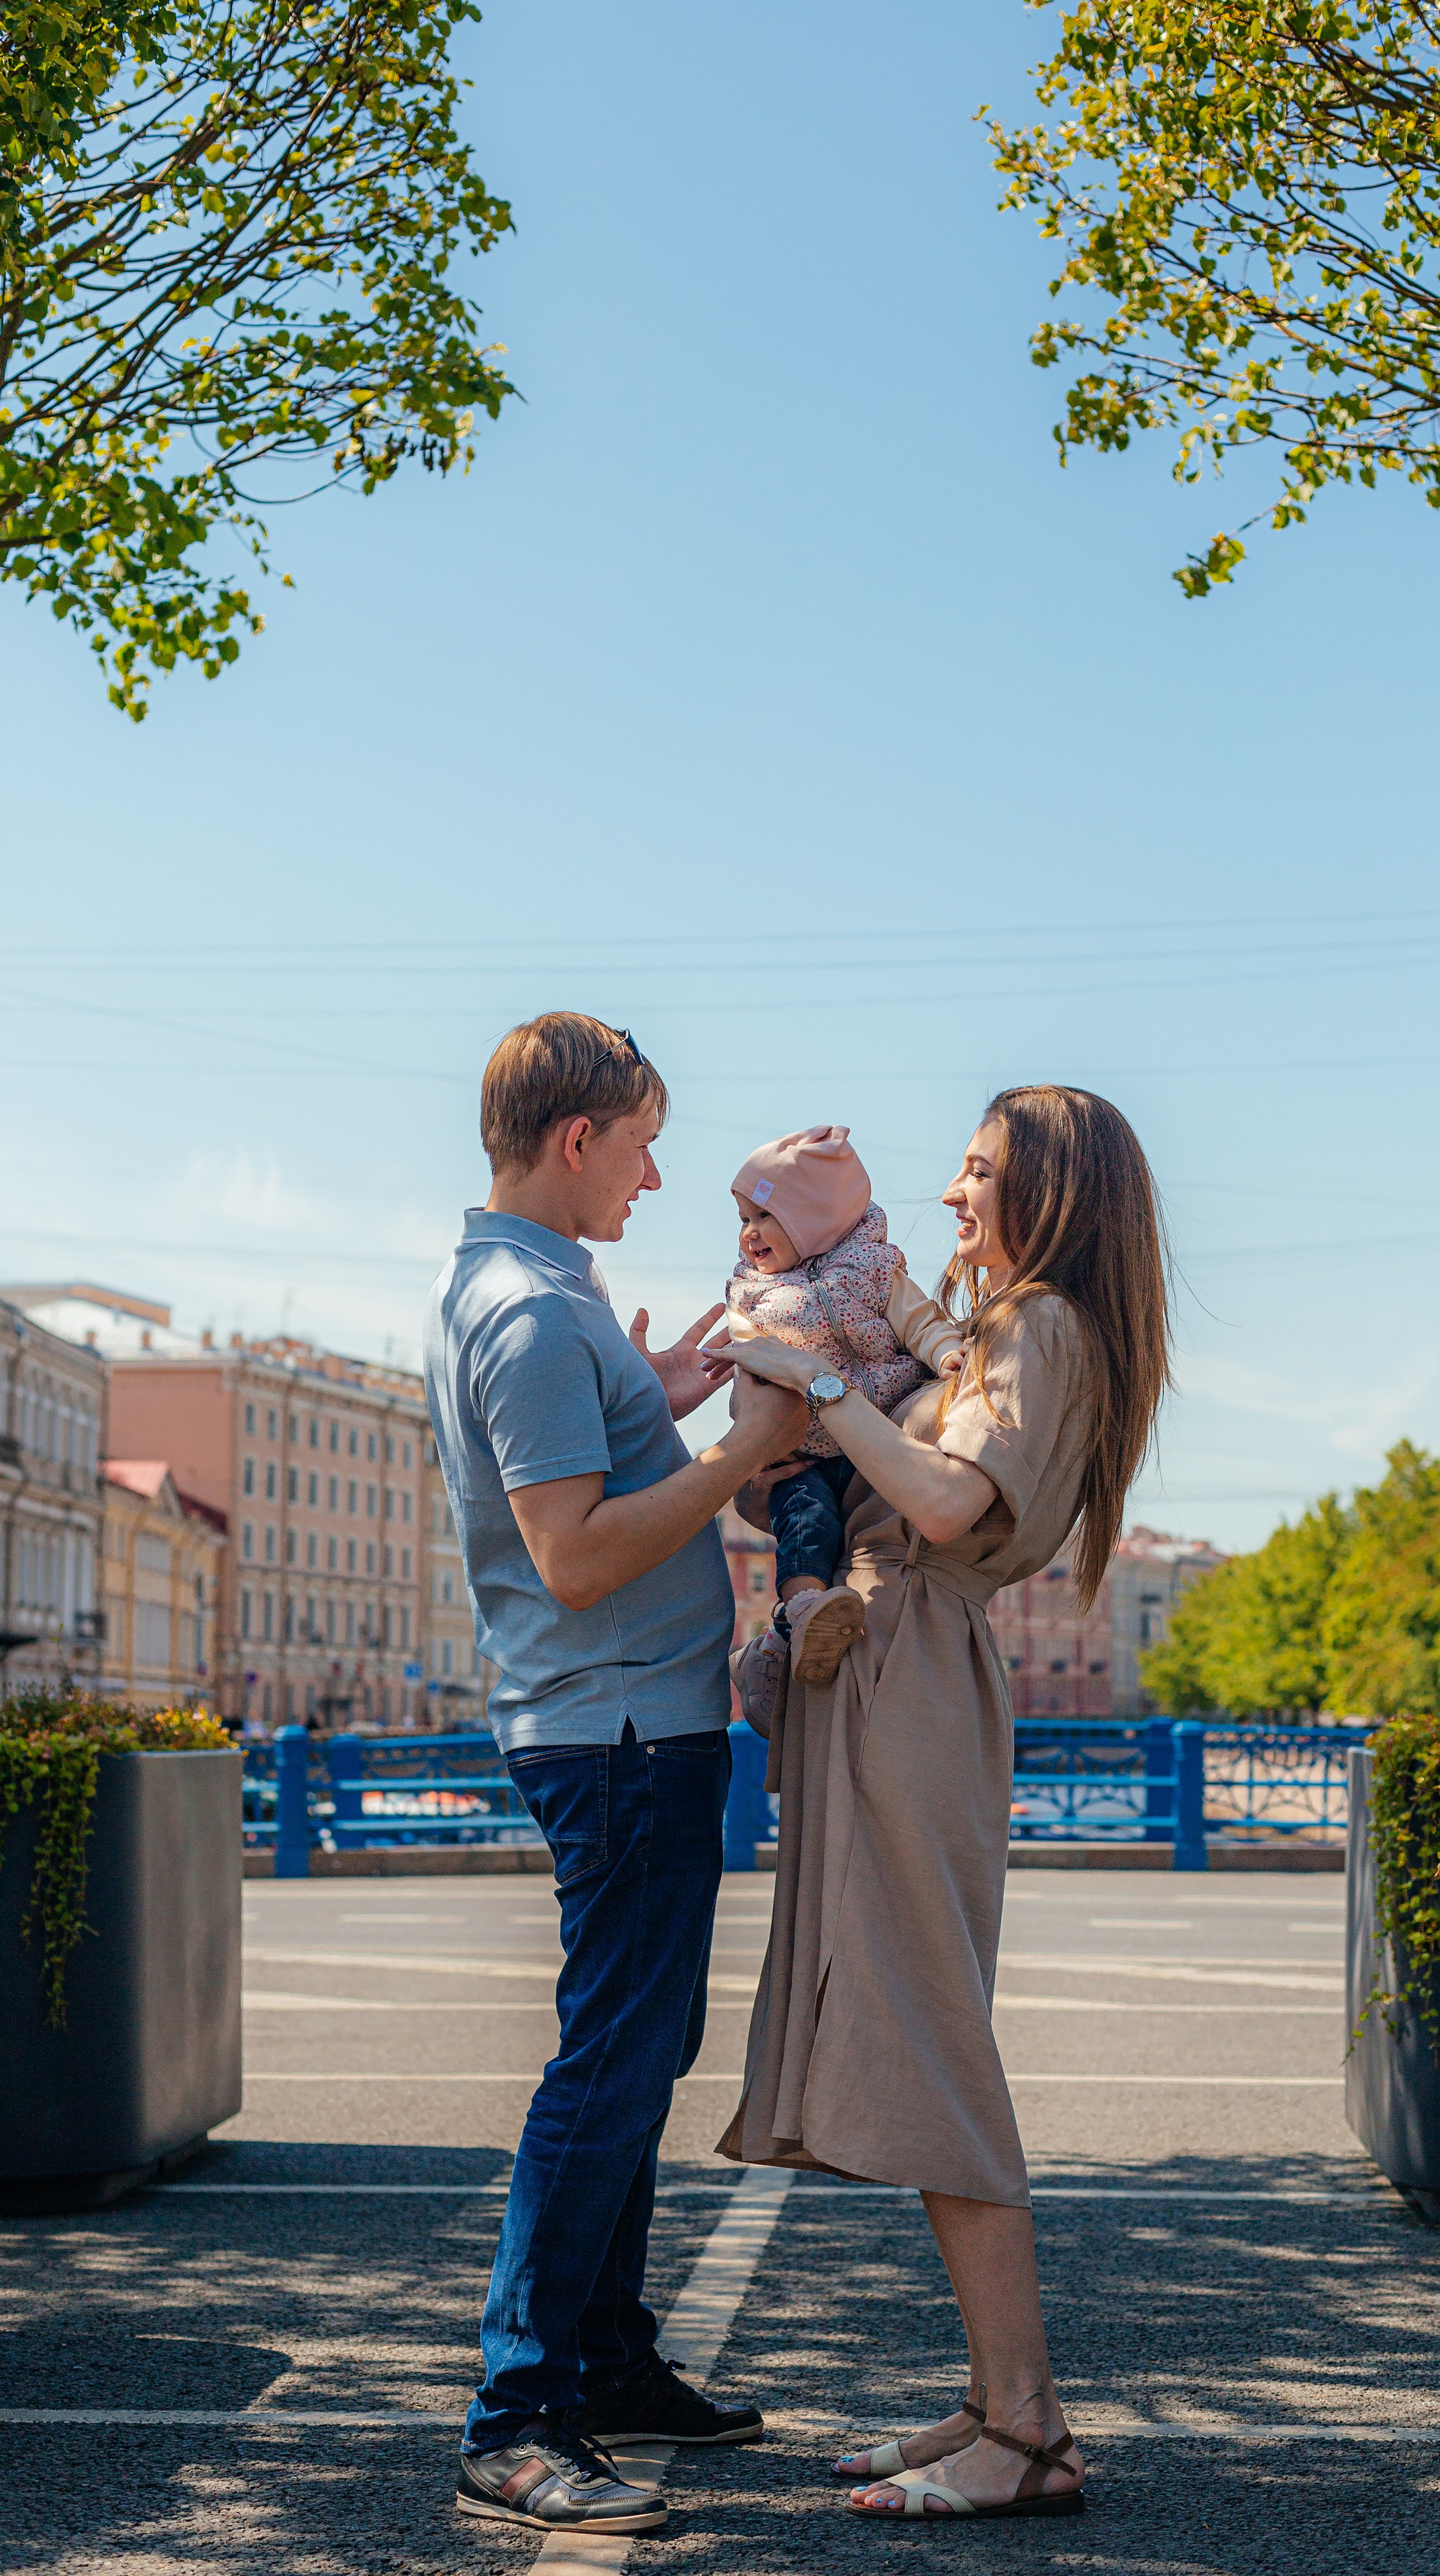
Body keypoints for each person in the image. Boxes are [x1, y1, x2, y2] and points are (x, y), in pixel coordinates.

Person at [718, 1085, 1170, 2524]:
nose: (953, 1195)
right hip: (895, 1671)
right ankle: (991, 2404)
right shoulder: (1008, 1329)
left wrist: (818, 1379)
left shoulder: (1040, 1328)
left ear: (1052, 1194)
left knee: (931, 2042)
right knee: (917, 2028)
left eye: (979, 1175)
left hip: (908, 1673)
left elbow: (934, 1506)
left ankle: (1026, 2428)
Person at [423, 1011, 809, 2540]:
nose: (655, 1174)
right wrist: (734, 1456)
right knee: (609, 2062)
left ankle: (607, 2351)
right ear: (573, 1139)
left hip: (630, 1727)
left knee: (639, 2048)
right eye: (642, 1142)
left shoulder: (545, 1300)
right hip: (620, 1731)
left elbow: (585, 1477)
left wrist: (661, 1391)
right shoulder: (526, 1314)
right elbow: (574, 1557)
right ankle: (517, 2415)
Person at [723, 1123, 962, 1683]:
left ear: (813, 1217)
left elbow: (919, 1320)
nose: (749, 1235)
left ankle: (782, 1649)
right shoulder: (751, 1296)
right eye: (743, 1220)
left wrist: (948, 1351)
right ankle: (804, 1614)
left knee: (868, 1533)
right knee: (805, 1519)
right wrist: (750, 1437)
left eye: (763, 1217)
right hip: (802, 1448)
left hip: (875, 1433)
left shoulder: (873, 1270)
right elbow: (747, 1369)